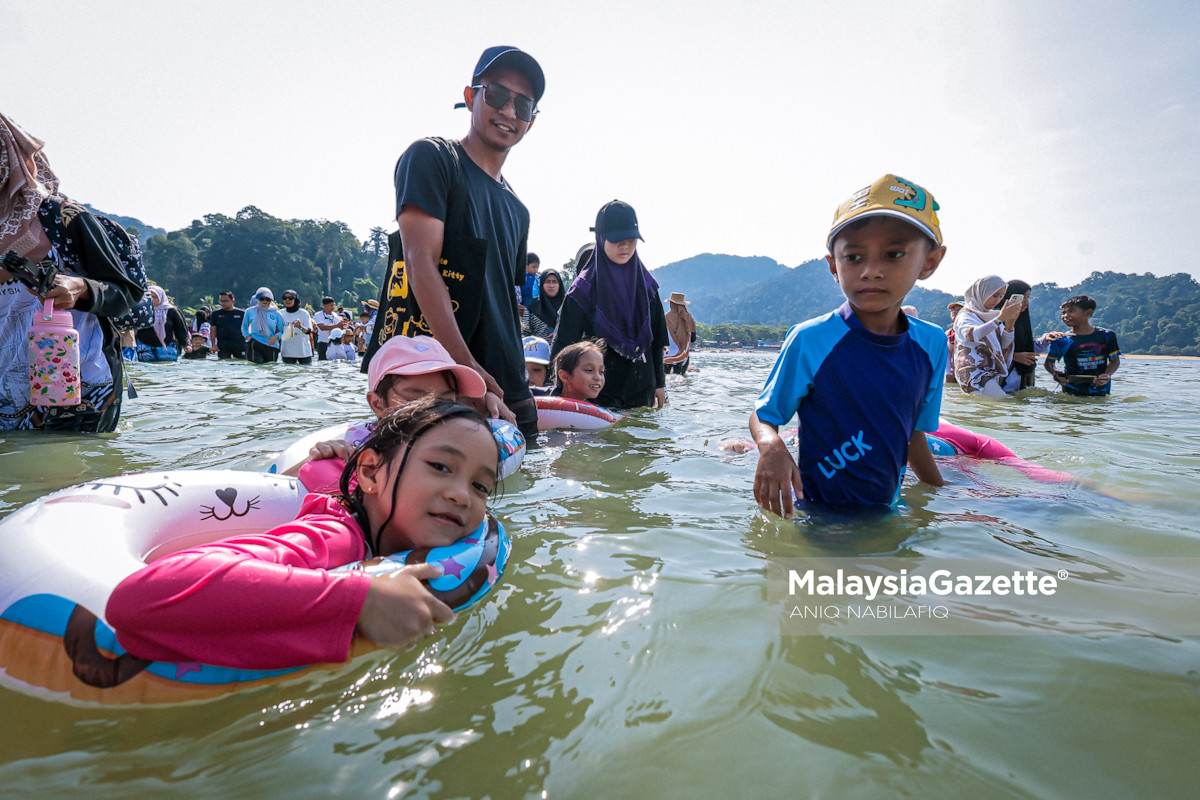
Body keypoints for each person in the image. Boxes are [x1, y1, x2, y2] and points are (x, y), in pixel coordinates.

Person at [105, 397, 496, 669]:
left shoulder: (388, 509)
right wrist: (361, 600)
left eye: (481, 486)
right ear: (371, 474)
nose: (461, 495)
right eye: (442, 467)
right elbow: (142, 595)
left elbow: (329, 478)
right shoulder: (333, 535)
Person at [364, 45, 545, 441]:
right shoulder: (432, 159)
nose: (509, 112)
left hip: (510, 392)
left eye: (524, 106)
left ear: (532, 121)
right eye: (497, 95)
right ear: (470, 96)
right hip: (443, 386)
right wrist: (470, 375)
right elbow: (420, 262)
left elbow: (502, 301)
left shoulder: (519, 210)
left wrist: (508, 383)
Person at [750, 174, 948, 515]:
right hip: (817, 514)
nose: (871, 271)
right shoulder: (811, 339)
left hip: (887, 513)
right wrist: (771, 446)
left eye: (894, 254)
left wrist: (941, 498)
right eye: (854, 257)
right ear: (833, 265)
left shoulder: (931, 344)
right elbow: (764, 416)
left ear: (929, 262)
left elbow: (914, 434)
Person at [0, 113, 141, 432]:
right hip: (4, 397)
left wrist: (81, 289)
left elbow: (127, 293)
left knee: (70, 473)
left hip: (77, 391)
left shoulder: (64, 217)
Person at [551, 200, 668, 410]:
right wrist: (559, 395)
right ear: (601, 238)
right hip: (597, 395)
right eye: (617, 240)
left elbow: (657, 341)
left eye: (631, 239)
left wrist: (660, 383)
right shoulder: (582, 292)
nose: (625, 246)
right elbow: (562, 348)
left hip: (642, 388)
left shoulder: (648, 288)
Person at [952, 275, 1023, 397]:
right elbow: (972, 335)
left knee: (999, 408)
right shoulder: (966, 316)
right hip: (973, 373)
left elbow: (1004, 345)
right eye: (995, 295)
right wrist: (1000, 319)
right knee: (1005, 404)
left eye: (1001, 296)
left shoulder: (991, 316)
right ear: (982, 293)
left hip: (991, 373)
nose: (998, 300)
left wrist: (1010, 325)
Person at [1045, 295, 1121, 396]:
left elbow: (1115, 361)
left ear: (1088, 313)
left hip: (1100, 390)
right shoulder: (1062, 340)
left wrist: (1107, 374)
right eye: (1063, 313)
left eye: (1071, 311)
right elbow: (1048, 363)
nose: (1065, 316)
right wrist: (1055, 374)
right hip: (1071, 391)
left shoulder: (1106, 335)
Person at [1000, 279, 1063, 392]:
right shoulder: (995, 322)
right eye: (1023, 297)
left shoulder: (1022, 323)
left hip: (1020, 384)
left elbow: (1028, 347)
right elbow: (986, 352)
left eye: (1028, 297)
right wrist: (1013, 356)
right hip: (999, 385)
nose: (1026, 302)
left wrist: (1046, 339)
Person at [135, 286, 191, 361]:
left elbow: (180, 329)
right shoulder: (141, 310)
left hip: (167, 348)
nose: (151, 300)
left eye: (154, 297)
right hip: (144, 347)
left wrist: (186, 344)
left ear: (160, 297)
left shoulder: (171, 310)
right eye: (148, 297)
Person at [242, 287, 284, 363]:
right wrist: (248, 337)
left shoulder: (277, 314)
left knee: (270, 367)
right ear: (257, 299)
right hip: (255, 343)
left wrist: (276, 337)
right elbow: (244, 327)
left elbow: (281, 331)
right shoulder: (250, 311)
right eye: (262, 299)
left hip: (271, 345)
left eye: (267, 299)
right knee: (257, 367)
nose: (265, 301)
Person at [524, 268, 564, 339]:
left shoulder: (568, 307)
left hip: (565, 349)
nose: (551, 285)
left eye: (554, 282)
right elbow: (524, 333)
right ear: (542, 284)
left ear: (559, 284)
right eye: (547, 282)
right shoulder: (532, 308)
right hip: (538, 349)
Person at [663, 292, 696, 375]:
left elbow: (660, 336)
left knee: (665, 379)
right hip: (682, 355)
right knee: (680, 379)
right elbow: (693, 339)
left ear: (672, 304)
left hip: (666, 355)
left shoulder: (665, 317)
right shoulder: (689, 317)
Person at [278, 289, 314, 365]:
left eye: (290, 298)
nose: (287, 300)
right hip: (287, 352)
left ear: (296, 299)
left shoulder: (304, 313)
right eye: (285, 298)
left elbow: (309, 331)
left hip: (303, 352)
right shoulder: (280, 313)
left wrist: (300, 326)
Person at [210, 291, 246, 359]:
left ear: (233, 301)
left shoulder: (242, 313)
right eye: (221, 301)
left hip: (240, 344)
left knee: (241, 363)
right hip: (223, 345)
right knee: (223, 364)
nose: (223, 303)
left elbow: (248, 328)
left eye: (226, 301)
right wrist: (213, 344)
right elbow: (213, 330)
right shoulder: (216, 314)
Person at [312, 296, 342, 361]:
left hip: (335, 343)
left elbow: (339, 328)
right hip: (323, 342)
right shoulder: (318, 315)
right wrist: (337, 326)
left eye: (334, 305)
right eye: (331, 305)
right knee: (323, 362)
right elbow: (322, 327)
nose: (333, 307)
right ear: (324, 305)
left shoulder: (335, 315)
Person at [945, 300, 963, 384]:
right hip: (954, 373)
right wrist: (948, 373)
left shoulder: (970, 329)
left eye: (959, 309)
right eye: (952, 310)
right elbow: (946, 353)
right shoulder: (948, 333)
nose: (954, 311)